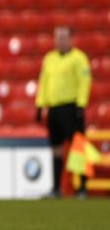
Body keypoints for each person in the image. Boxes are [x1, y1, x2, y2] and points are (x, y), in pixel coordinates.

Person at [35, 26, 92, 197]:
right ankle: (56, 188)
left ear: (70, 39)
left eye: (63, 37)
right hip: (54, 108)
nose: (59, 40)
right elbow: (43, 82)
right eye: (57, 37)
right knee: (56, 148)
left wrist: (81, 105)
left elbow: (84, 81)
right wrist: (40, 105)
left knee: (78, 147)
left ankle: (82, 188)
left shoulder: (79, 58)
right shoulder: (49, 58)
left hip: (71, 107)